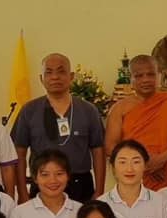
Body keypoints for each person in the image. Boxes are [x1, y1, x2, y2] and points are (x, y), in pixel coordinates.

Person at [11, 53, 106, 204]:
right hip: (43, 183)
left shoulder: (88, 110)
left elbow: (98, 151)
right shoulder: (29, 111)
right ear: (41, 79)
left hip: (80, 184)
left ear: (71, 76)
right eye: (49, 72)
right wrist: (22, 193)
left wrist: (99, 191)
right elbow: (19, 153)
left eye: (61, 71)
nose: (55, 77)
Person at [104, 55, 167, 190]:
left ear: (159, 76)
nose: (145, 79)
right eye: (139, 76)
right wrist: (142, 163)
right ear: (131, 79)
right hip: (132, 173)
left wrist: (162, 159)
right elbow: (110, 147)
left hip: (166, 174)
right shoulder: (119, 108)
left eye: (151, 74)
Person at [103, 140, 167, 218]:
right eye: (122, 162)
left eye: (136, 162)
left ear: (145, 166)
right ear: (113, 168)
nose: (129, 168)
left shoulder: (161, 203)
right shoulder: (102, 205)